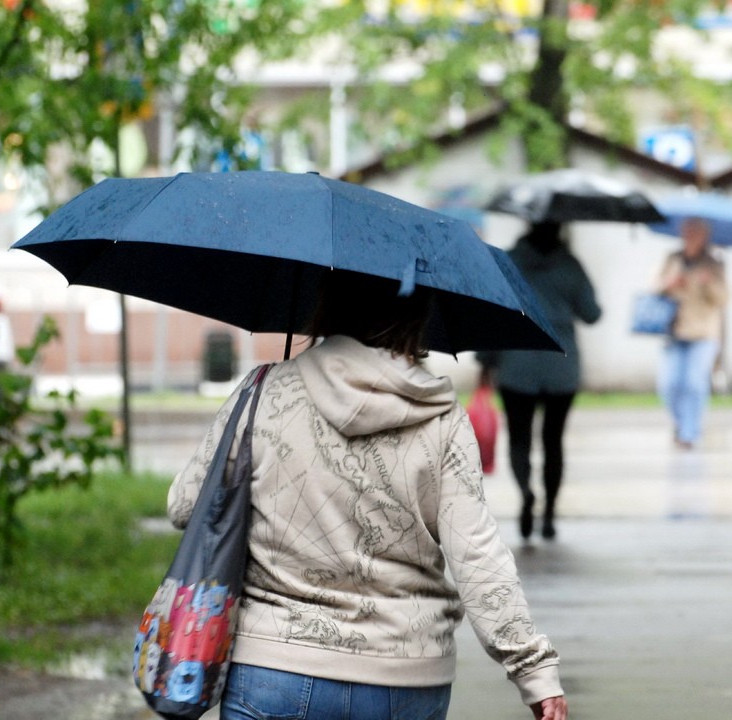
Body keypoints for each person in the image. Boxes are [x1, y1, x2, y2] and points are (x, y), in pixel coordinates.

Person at [168, 271, 568, 720]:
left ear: (326, 302)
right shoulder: (443, 420)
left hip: (274, 666)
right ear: (418, 313)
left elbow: (185, 504)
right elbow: (478, 555)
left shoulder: (264, 391)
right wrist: (534, 673)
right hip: (406, 678)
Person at [477, 222, 602, 542]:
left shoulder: (508, 262)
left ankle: (525, 493)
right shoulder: (571, 265)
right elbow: (591, 313)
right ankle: (548, 513)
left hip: (517, 363)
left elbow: (492, 313)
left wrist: (486, 361)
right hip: (561, 364)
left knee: (519, 439)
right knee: (553, 441)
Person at [656, 217, 728, 450]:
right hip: (673, 330)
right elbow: (653, 287)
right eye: (688, 230)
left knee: (695, 383)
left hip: (704, 332)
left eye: (696, 232)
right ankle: (679, 422)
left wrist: (708, 284)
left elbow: (723, 299)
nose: (691, 235)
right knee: (670, 383)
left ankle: (690, 432)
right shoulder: (672, 259)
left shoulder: (714, 264)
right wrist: (669, 283)